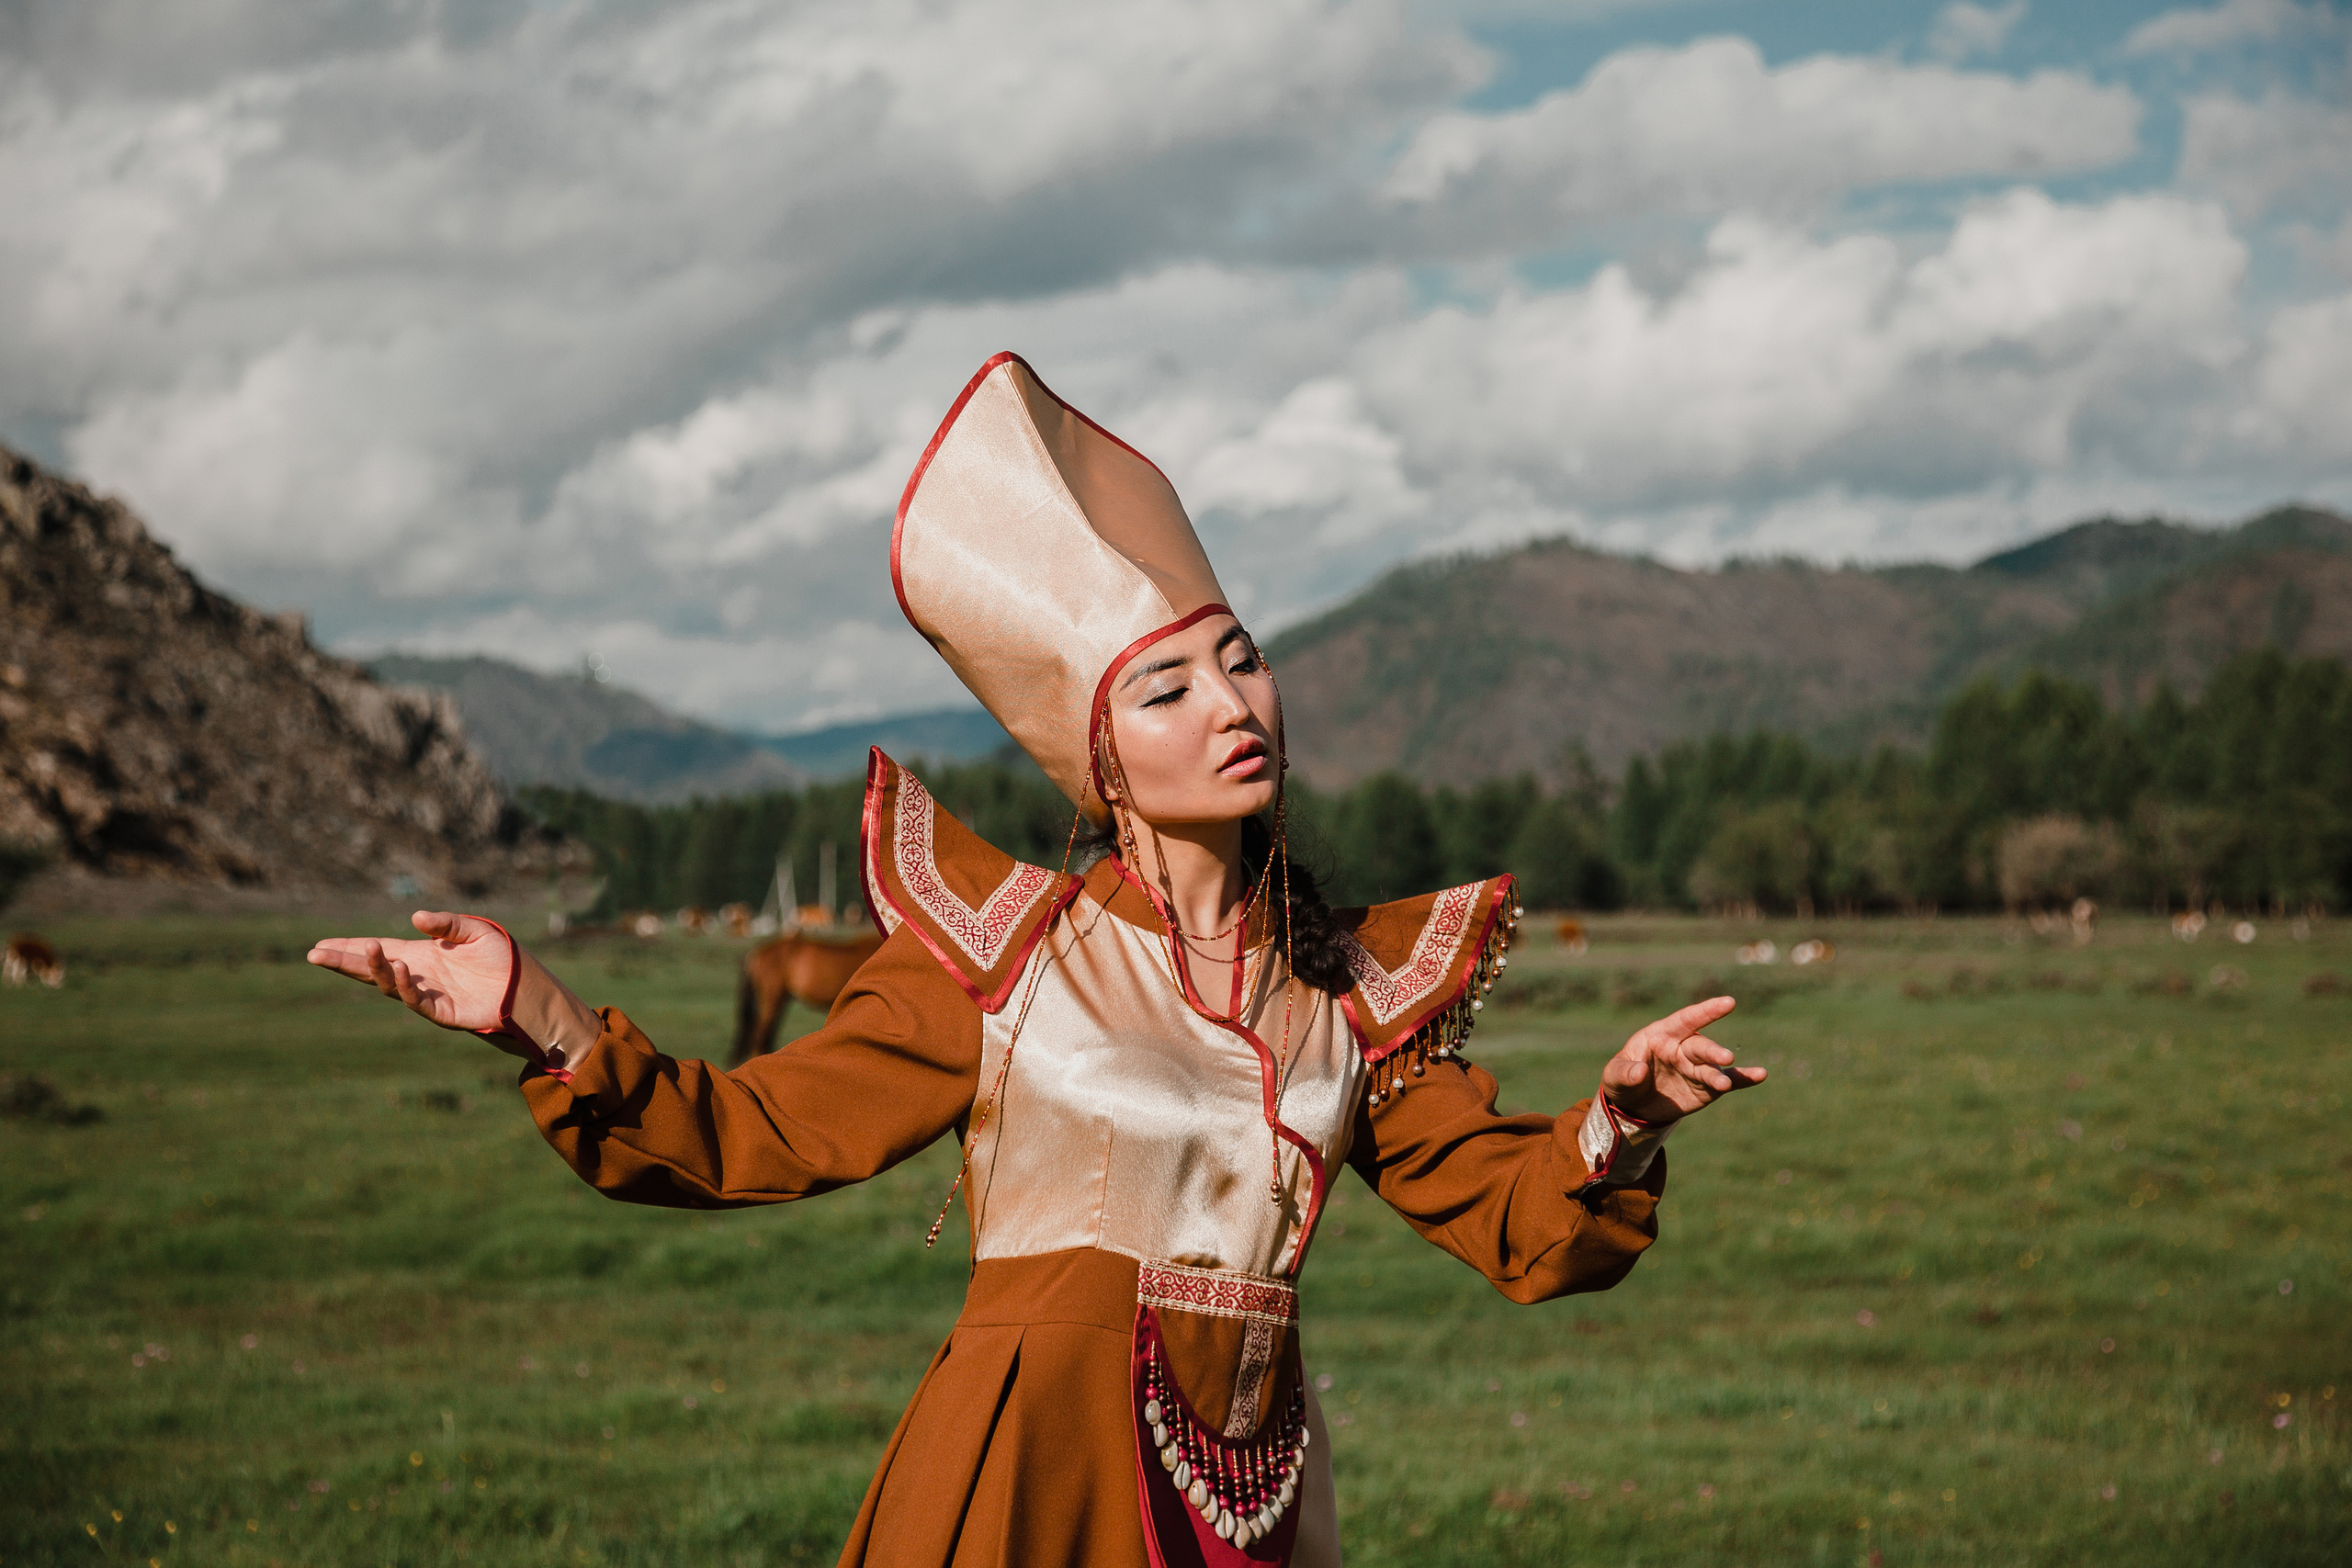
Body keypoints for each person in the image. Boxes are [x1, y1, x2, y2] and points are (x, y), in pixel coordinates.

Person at [308, 352, 1765, 1567]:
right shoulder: (1003, 956)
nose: (1233, 703)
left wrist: (1621, 1120)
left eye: (1243, 659)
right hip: (1020, 1489)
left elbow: (1524, 1219)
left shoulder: (1345, 997)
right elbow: (756, 1134)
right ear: (1102, 750)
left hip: (1247, 1511)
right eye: (1170, 686)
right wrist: (540, 1012)